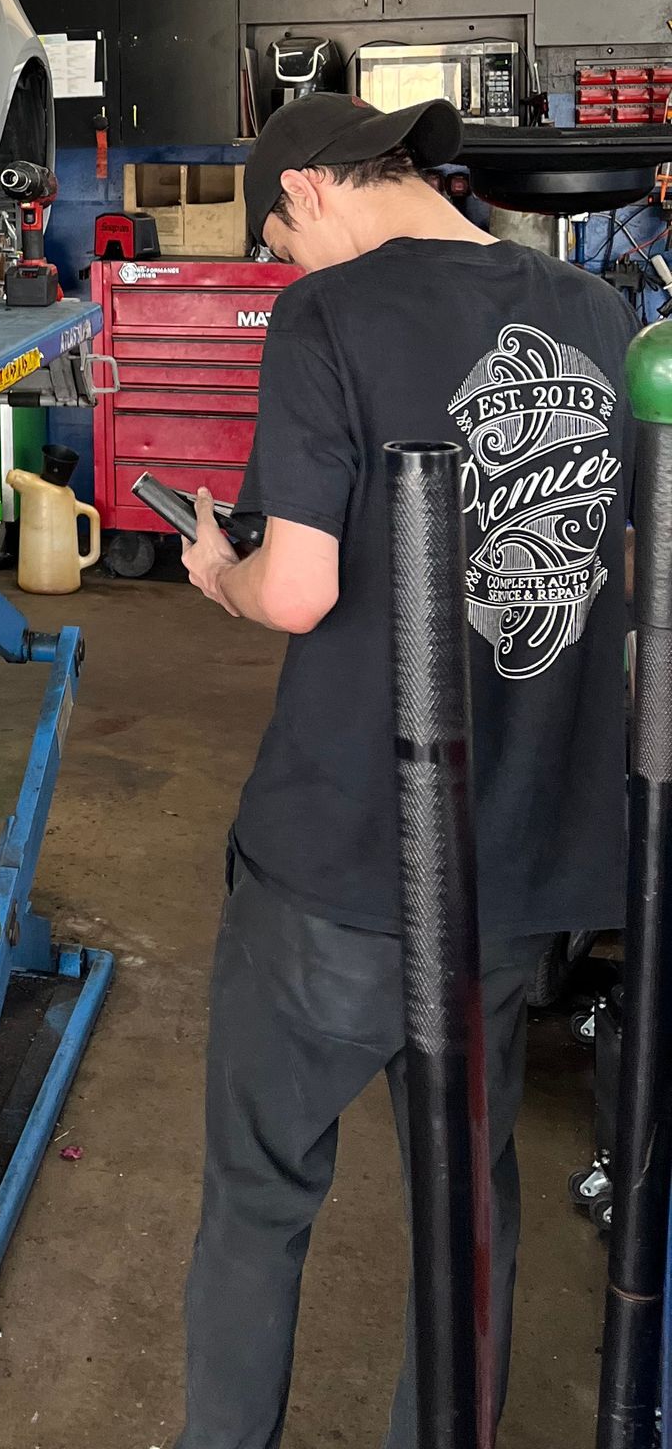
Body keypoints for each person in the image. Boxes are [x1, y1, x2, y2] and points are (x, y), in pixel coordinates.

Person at [174, 91, 634, 1449]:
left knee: (260, 1199)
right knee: (466, 1206)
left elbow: (303, 589)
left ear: (310, 191)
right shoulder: (598, 311)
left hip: (342, 856)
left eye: (274, 239)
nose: (285, 268)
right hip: (522, 862)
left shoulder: (329, 316)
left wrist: (221, 571)